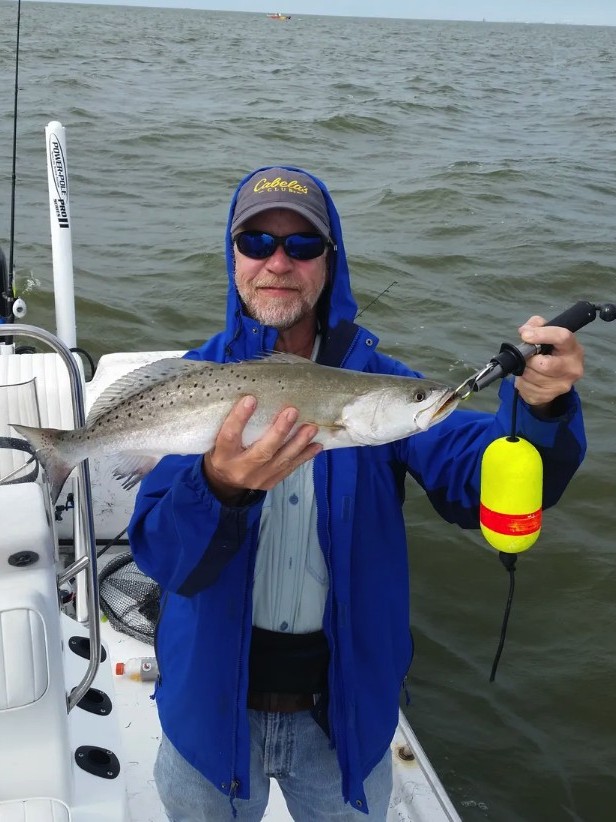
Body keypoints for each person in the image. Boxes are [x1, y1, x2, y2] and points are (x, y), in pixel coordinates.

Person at [128, 166, 586, 820]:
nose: (278, 262)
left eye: (302, 245)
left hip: (341, 720)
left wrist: (541, 412)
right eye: (257, 242)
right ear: (233, 257)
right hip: (207, 711)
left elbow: (477, 474)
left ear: (329, 262)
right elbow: (163, 559)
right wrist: (218, 485)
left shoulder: (385, 391)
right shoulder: (195, 385)